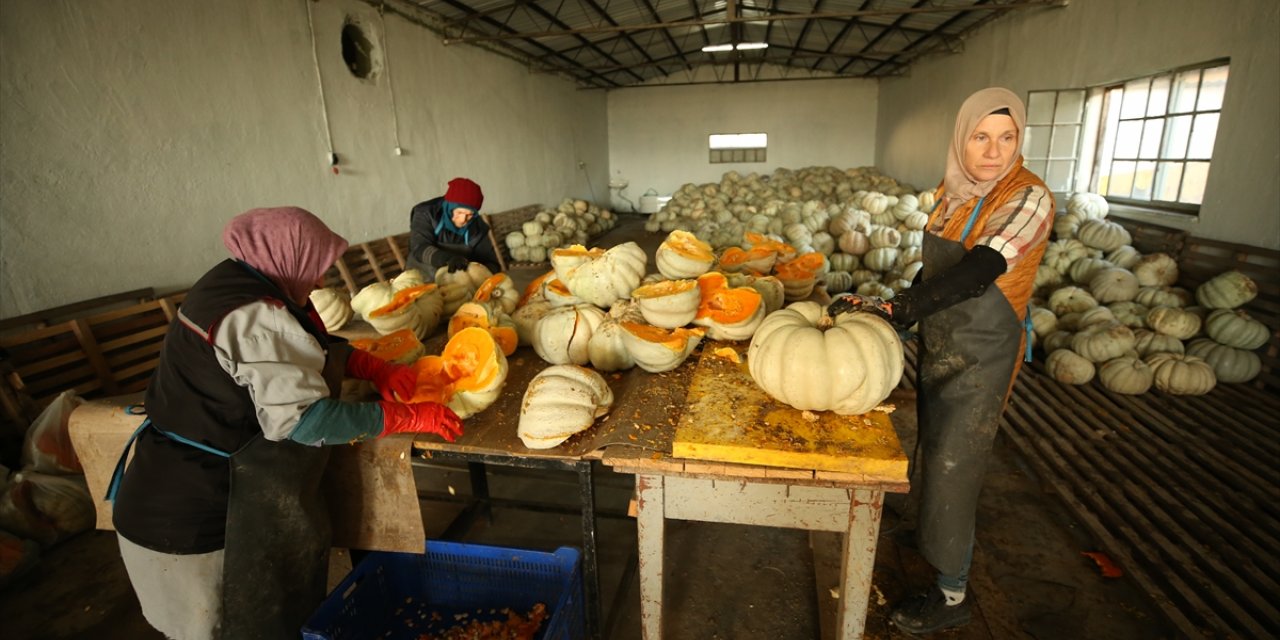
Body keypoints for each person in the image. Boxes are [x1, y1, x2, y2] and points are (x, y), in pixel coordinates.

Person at [108, 206, 464, 640]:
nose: (319, 282)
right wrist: (405, 415)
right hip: (200, 519)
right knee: (230, 628)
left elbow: (301, 347)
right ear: (286, 258)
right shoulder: (253, 315)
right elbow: (307, 422)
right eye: (315, 269)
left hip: (177, 491)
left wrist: (370, 365)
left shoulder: (237, 280)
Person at [829, 87, 1054, 634]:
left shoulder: (1029, 197)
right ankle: (930, 532)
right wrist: (897, 308)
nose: (994, 151)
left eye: (1007, 138)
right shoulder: (954, 193)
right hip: (942, 340)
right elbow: (937, 276)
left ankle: (952, 593)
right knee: (933, 442)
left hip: (982, 352)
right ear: (961, 140)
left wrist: (902, 308)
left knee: (957, 462)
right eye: (981, 137)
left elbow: (980, 268)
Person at [407, 177, 502, 277]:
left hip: (457, 283)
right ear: (449, 207)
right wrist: (447, 259)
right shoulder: (426, 213)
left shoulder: (477, 227)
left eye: (469, 215)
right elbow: (419, 247)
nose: (462, 219)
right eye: (459, 212)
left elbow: (491, 263)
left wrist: (483, 274)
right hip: (420, 279)